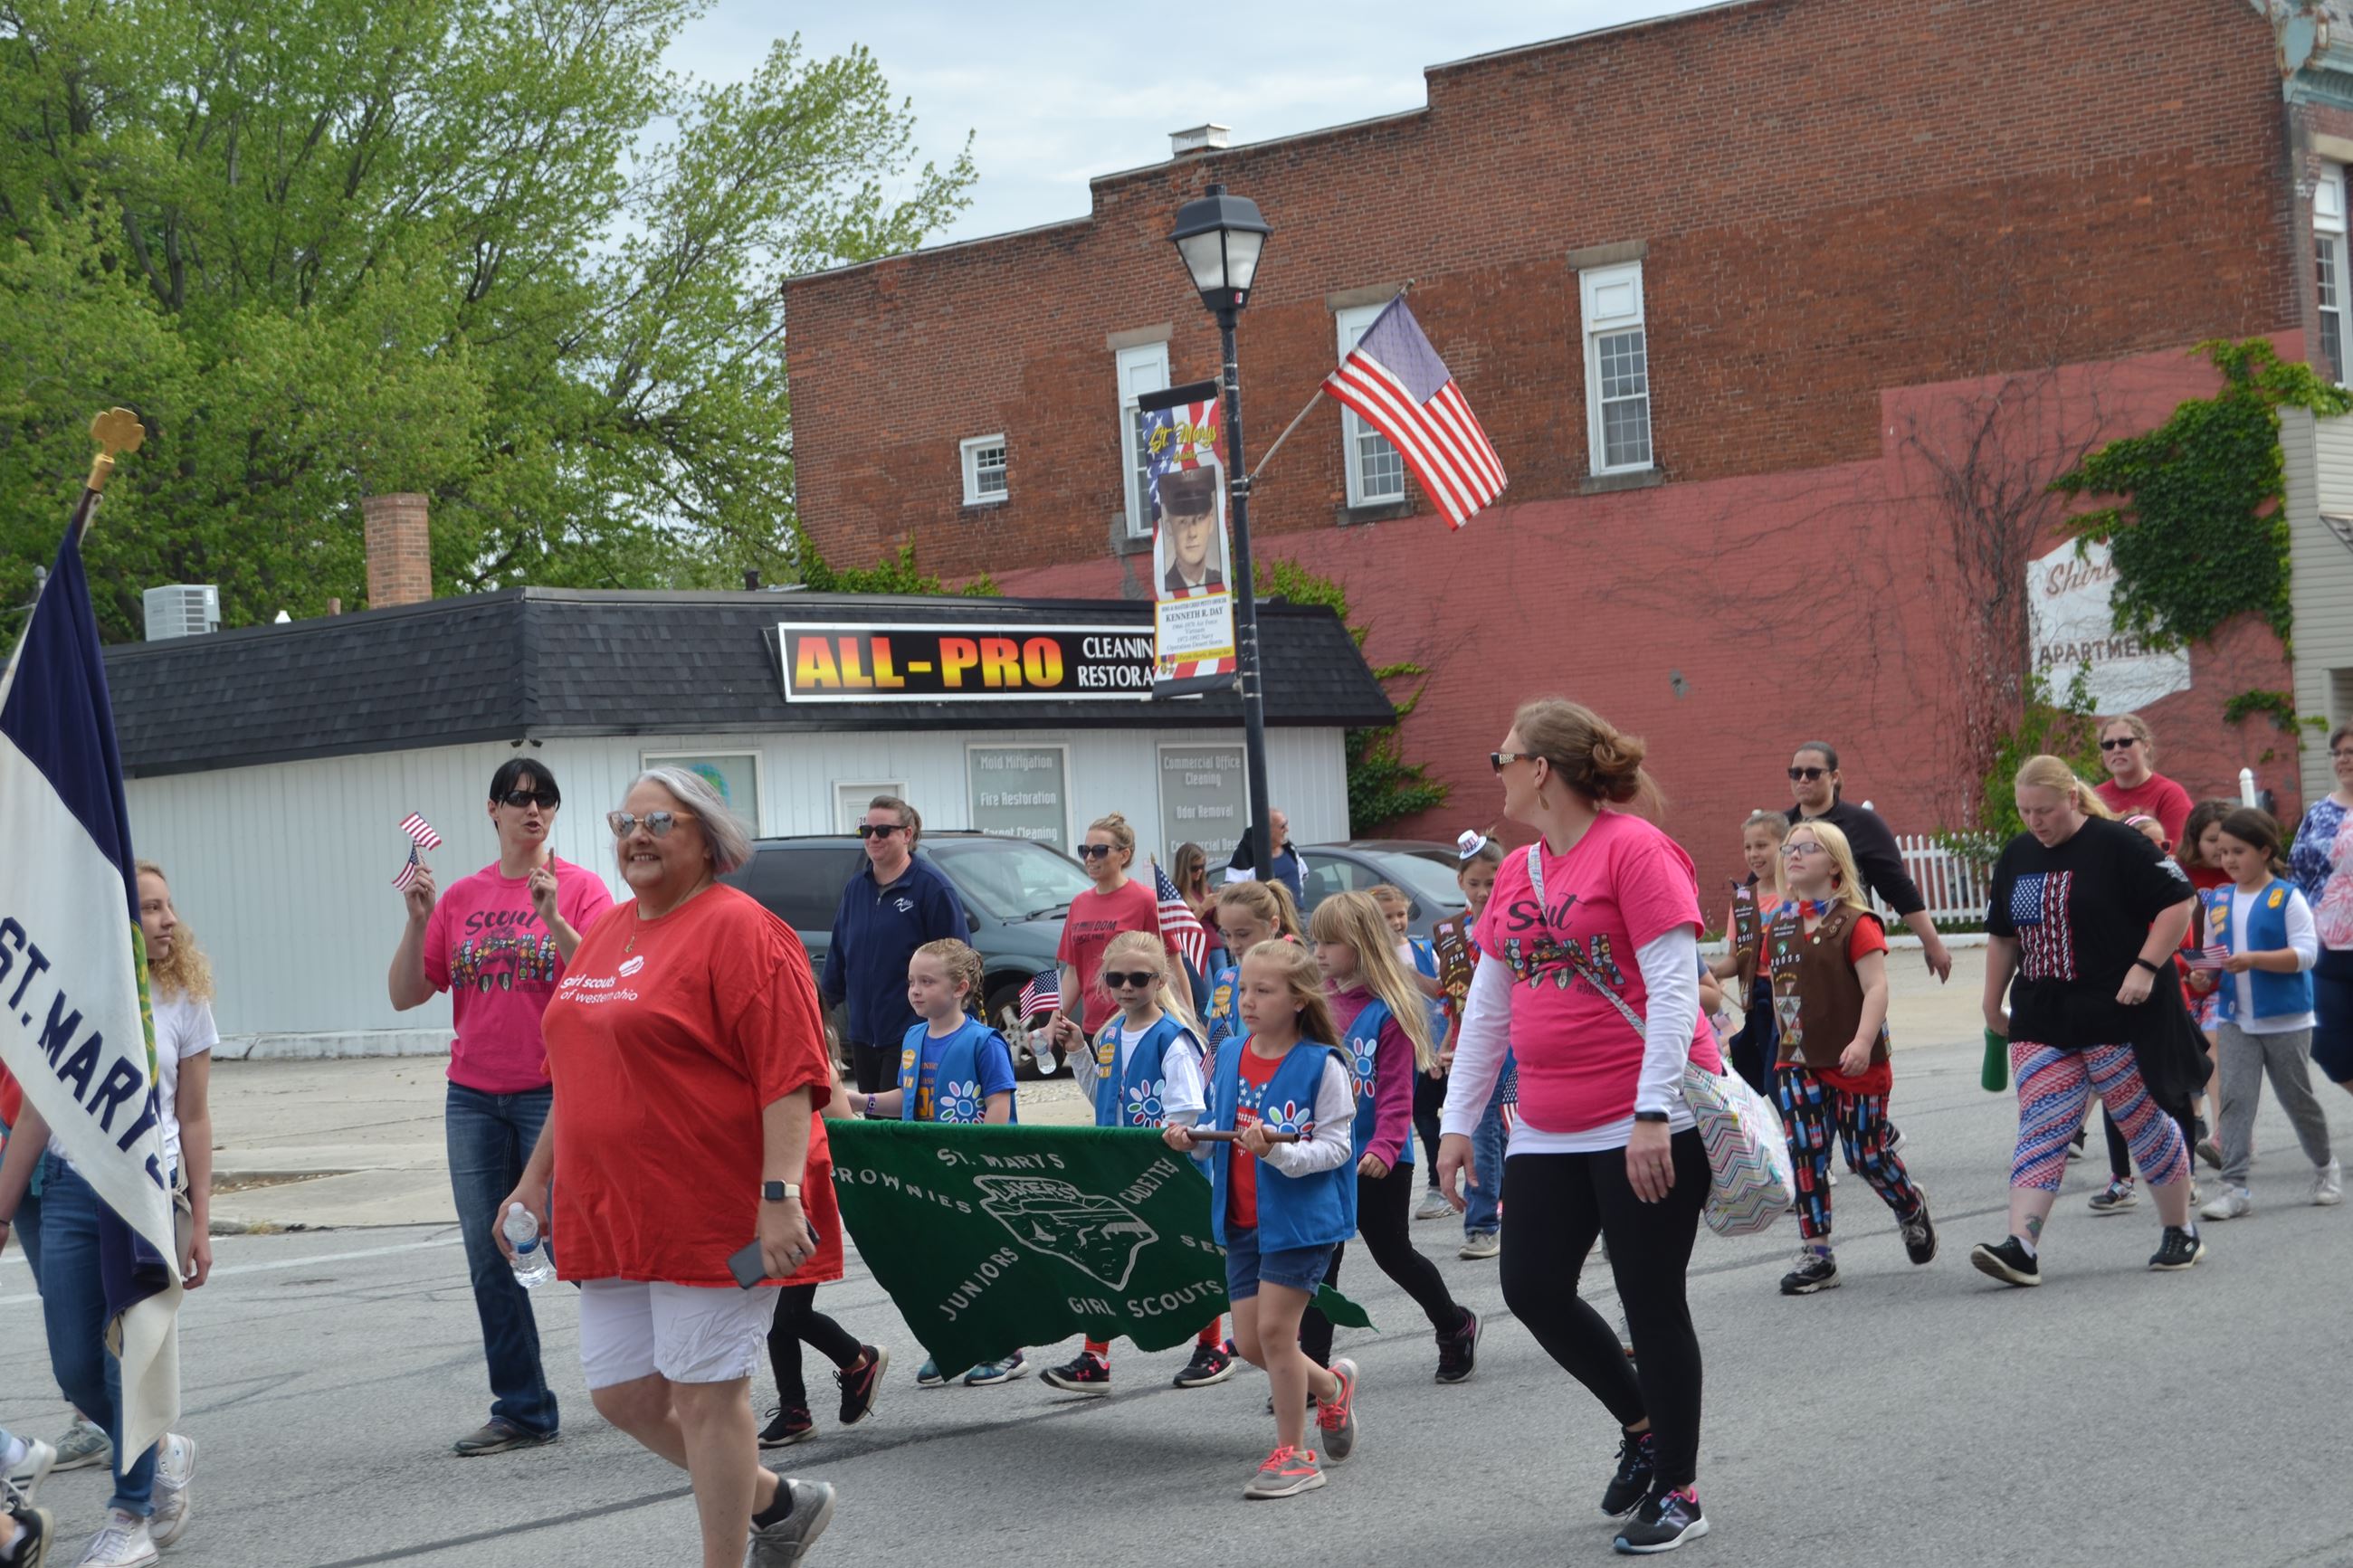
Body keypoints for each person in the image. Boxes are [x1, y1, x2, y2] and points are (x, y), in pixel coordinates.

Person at [500, 767, 834, 1568]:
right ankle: (780, 1503)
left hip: (725, 1209)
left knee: (709, 1395)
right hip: (619, 1209)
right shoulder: (611, 931)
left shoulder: (745, 930)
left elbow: (789, 1074)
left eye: (660, 821)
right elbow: (581, 1072)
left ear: (708, 835)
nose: (637, 836)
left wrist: (779, 1196)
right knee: (623, 1392)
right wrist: (533, 1181)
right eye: (625, 822)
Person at [1438, 698, 1720, 1554]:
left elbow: (1674, 988)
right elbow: (1488, 1007)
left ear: (1541, 770)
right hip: (1549, 1126)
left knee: (1651, 1300)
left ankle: (1678, 1487)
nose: (1496, 768)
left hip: (1646, 1118)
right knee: (1530, 1286)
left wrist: (1649, 1111)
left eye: (1504, 754)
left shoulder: (1635, 849)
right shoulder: (1520, 871)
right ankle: (1641, 1427)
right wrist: (1458, 1122)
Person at [386, 759, 612, 1456]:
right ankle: (523, 1407)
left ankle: (655, 1375)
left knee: (583, 1241)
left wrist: (551, 916)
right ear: (493, 810)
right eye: (520, 799)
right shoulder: (460, 897)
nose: (534, 809)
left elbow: (603, 980)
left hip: (555, 1091)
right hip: (475, 1096)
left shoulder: (581, 888)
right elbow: (406, 992)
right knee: (493, 1253)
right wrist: (417, 918)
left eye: (546, 798)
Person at [0, 863, 210, 1567]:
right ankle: (163, 1444)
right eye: (150, 908)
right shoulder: (72, 995)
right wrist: (2, 1206)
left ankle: (130, 1516)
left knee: (132, 1359)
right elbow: (34, 1110)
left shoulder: (185, 1000)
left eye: (168, 904)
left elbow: (197, 1116)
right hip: (65, 1188)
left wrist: (203, 1218)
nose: (167, 919)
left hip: (145, 1193)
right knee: (77, 1371)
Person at [1971, 756, 2205, 1288]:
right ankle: (2021, 1246)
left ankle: (2179, 1229)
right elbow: (2004, 935)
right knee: (2042, 1126)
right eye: (2026, 811)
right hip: (2042, 1016)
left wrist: (2145, 967)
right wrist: (1991, 1002)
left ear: (2072, 799)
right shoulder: (2018, 855)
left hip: (2116, 1013)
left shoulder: (2118, 845)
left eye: (2046, 810)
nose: (2036, 821)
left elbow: (2179, 902)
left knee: (2141, 1123)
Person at [1165, 940, 1360, 1501]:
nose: (1246, 1001)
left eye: (1263, 991)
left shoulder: (1321, 1064)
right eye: (1243, 989)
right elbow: (1215, 1134)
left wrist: (1277, 1153)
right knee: (1250, 1345)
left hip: (1300, 1223)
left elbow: (1336, 1148)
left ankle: (1294, 1456)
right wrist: (1191, 1141)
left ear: (1299, 999)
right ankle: (1332, 1384)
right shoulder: (1229, 1054)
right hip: (1240, 1220)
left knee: (1277, 1333)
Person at [1300, 893, 1481, 1383]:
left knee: (1393, 1253)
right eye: (1315, 940)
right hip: (1324, 1158)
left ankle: (1454, 1324)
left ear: (1360, 945)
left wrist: (1383, 1147)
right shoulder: (1313, 1005)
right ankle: (1311, 1374)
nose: (1319, 952)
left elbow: (1398, 1095)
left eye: (1330, 942)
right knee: (1321, 1265)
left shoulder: (1390, 1012)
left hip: (1380, 1157)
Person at [1037, 931, 1229, 1392]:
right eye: (1116, 977)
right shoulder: (1109, 1036)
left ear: (1159, 979)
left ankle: (1213, 1346)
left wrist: (1162, 1144)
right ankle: (1095, 1358)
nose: (1127, 986)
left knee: (1185, 1258)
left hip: (1167, 1171)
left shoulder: (1173, 1040)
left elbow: (1187, 1112)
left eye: (1139, 978)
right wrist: (1080, 1052)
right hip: (1120, 1170)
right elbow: (1103, 1097)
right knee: (1100, 1256)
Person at [1767, 822, 1938, 1295]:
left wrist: (1863, 1042)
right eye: (1789, 848)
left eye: (1808, 848)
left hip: (1854, 1059)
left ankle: (1909, 1205)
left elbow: (1876, 988)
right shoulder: (1779, 925)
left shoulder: (1856, 923)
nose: (1794, 855)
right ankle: (1817, 1253)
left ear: (1836, 865)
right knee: (1807, 1153)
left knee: (1865, 1155)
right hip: (1798, 1060)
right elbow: (1779, 992)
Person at [857, 939, 1024, 1387]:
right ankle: (954, 1344)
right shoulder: (913, 1038)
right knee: (939, 1263)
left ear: (960, 988)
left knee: (984, 1260)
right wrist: (857, 1099)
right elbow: (906, 1100)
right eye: (911, 981)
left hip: (975, 1174)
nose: (914, 990)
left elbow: (999, 1108)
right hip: (929, 1172)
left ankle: (1007, 1349)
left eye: (926, 982)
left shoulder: (983, 1042)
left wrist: (977, 1163)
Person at [2195, 808, 2340, 1219]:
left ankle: (2325, 1167)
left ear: (2264, 851)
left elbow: (2307, 955)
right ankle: (2234, 1187)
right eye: (2222, 852)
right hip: (2235, 1017)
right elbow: (2212, 956)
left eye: (2238, 851)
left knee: (2297, 1098)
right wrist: (2204, 977)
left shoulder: (2286, 896)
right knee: (2236, 1100)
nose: (2229, 861)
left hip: (2286, 1018)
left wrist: (2255, 959)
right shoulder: (2218, 899)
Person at [2088, 814, 2214, 1214]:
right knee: (2115, 1089)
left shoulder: (2175, 887)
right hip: (2116, 996)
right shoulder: (2106, 887)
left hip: (2166, 998)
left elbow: (2194, 944)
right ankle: (2121, 1179)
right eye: (2147, 845)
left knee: (2174, 1088)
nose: (2158, 854)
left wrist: (2199, 972)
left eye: (2163, 846)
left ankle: (2188, 1175)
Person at [759, 1059, 888, 1449]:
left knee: (791, 1311)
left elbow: (845, 1134)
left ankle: (859, 1360)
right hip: (759, 1203)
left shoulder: (813, 1064)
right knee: (769, 1310)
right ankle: (794, 1411)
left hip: (801, 1202)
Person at [822, 795, 972, 1096]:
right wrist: (817, 1009)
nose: (873, 838)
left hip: (914, 1033)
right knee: (874, 1125)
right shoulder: (856, 889)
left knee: (901, 1125)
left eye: (883, 831)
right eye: (867, 831)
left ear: (907, 834)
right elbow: (839, 957)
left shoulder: (930, 887)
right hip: (864, 1036)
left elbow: (960, 959)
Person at [1786, 742, 1953, 982]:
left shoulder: (1863, 824)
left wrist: (1932, 942)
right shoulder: (1780, 827)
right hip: (1791, 949)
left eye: (1812, 773)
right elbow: (1761, 893)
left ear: (1835, 777)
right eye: (1795, 773)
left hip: (1847, 947)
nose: (1802, 779)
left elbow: (1897, 888)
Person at [1370, 885, 1456, 1221]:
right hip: (1402, 1051)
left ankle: (1450, 1185)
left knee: (1447, 1116)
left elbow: (1444, 991)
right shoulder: (1373, 958)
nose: (1396, 922)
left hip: (1436, 1045)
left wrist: (1411, 976)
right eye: (1387, 916)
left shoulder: (1421, 948)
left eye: (1401, 915)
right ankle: (1435, 1185)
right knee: (1420, 1117)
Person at [1448, 835, 1514, 1260]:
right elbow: (1447, 995)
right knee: (1480, 1130)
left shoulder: (1514, 922)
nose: (1482, 892)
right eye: (1474, 883)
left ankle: (1497, 1215)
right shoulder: (1451, 935)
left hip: (1515, 1042)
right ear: (1460, 882)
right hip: (1469, 1047)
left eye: (1491, 881)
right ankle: (1483, 1221)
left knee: (1508, 1131)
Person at [2289, 726, 2353, 1104]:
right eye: (2338, 752)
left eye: (2351, 752)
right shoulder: (2319, 811)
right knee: (2324, 1039)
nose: (2344, 759)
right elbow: (2297, 873)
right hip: (2324, 944)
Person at [1710, 811, 1789, 1095]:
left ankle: (1799, 1137)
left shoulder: (1799, 893)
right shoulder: (1742, 900)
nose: (1753, 854)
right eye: (1747, 847)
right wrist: (1713, 970)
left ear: (1784, 845)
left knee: (1778, 1079)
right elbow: (1736, 959)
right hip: (1757, 1002)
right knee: (1752, 1080)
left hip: (1791, 999)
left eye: (1762, 845)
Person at [1204, 879, 1301, 1050]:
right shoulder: (1225, 978)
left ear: (1273, 925)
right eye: (1227, 935)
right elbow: (1211, 1034)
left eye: (1243, 934)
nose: (1234, 945)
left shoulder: (1290, 976)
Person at [2091, 713, 2195, 847]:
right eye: (2108, 745)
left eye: (2125, 742)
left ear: (2146, 745)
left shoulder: (2170, 794)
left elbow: (2178, 853)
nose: (2117, 750)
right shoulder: (2095, 797)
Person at [1157, 466, 1226, 594]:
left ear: (1210, 522)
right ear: (1169, 529)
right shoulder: (1164, 588)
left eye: (1200, 519)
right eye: (1183, 522)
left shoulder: (1220, 579)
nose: (1192, 533)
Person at [1225, 809, 1307, 908]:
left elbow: (1303, 875)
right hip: (1267, 919)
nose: (1287, 829)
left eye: (1286, 824)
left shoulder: (1290, 849)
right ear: (1267, 829)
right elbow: (1232, 894)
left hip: (1297, 916)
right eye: (1282, 826)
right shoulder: (1245, 857)